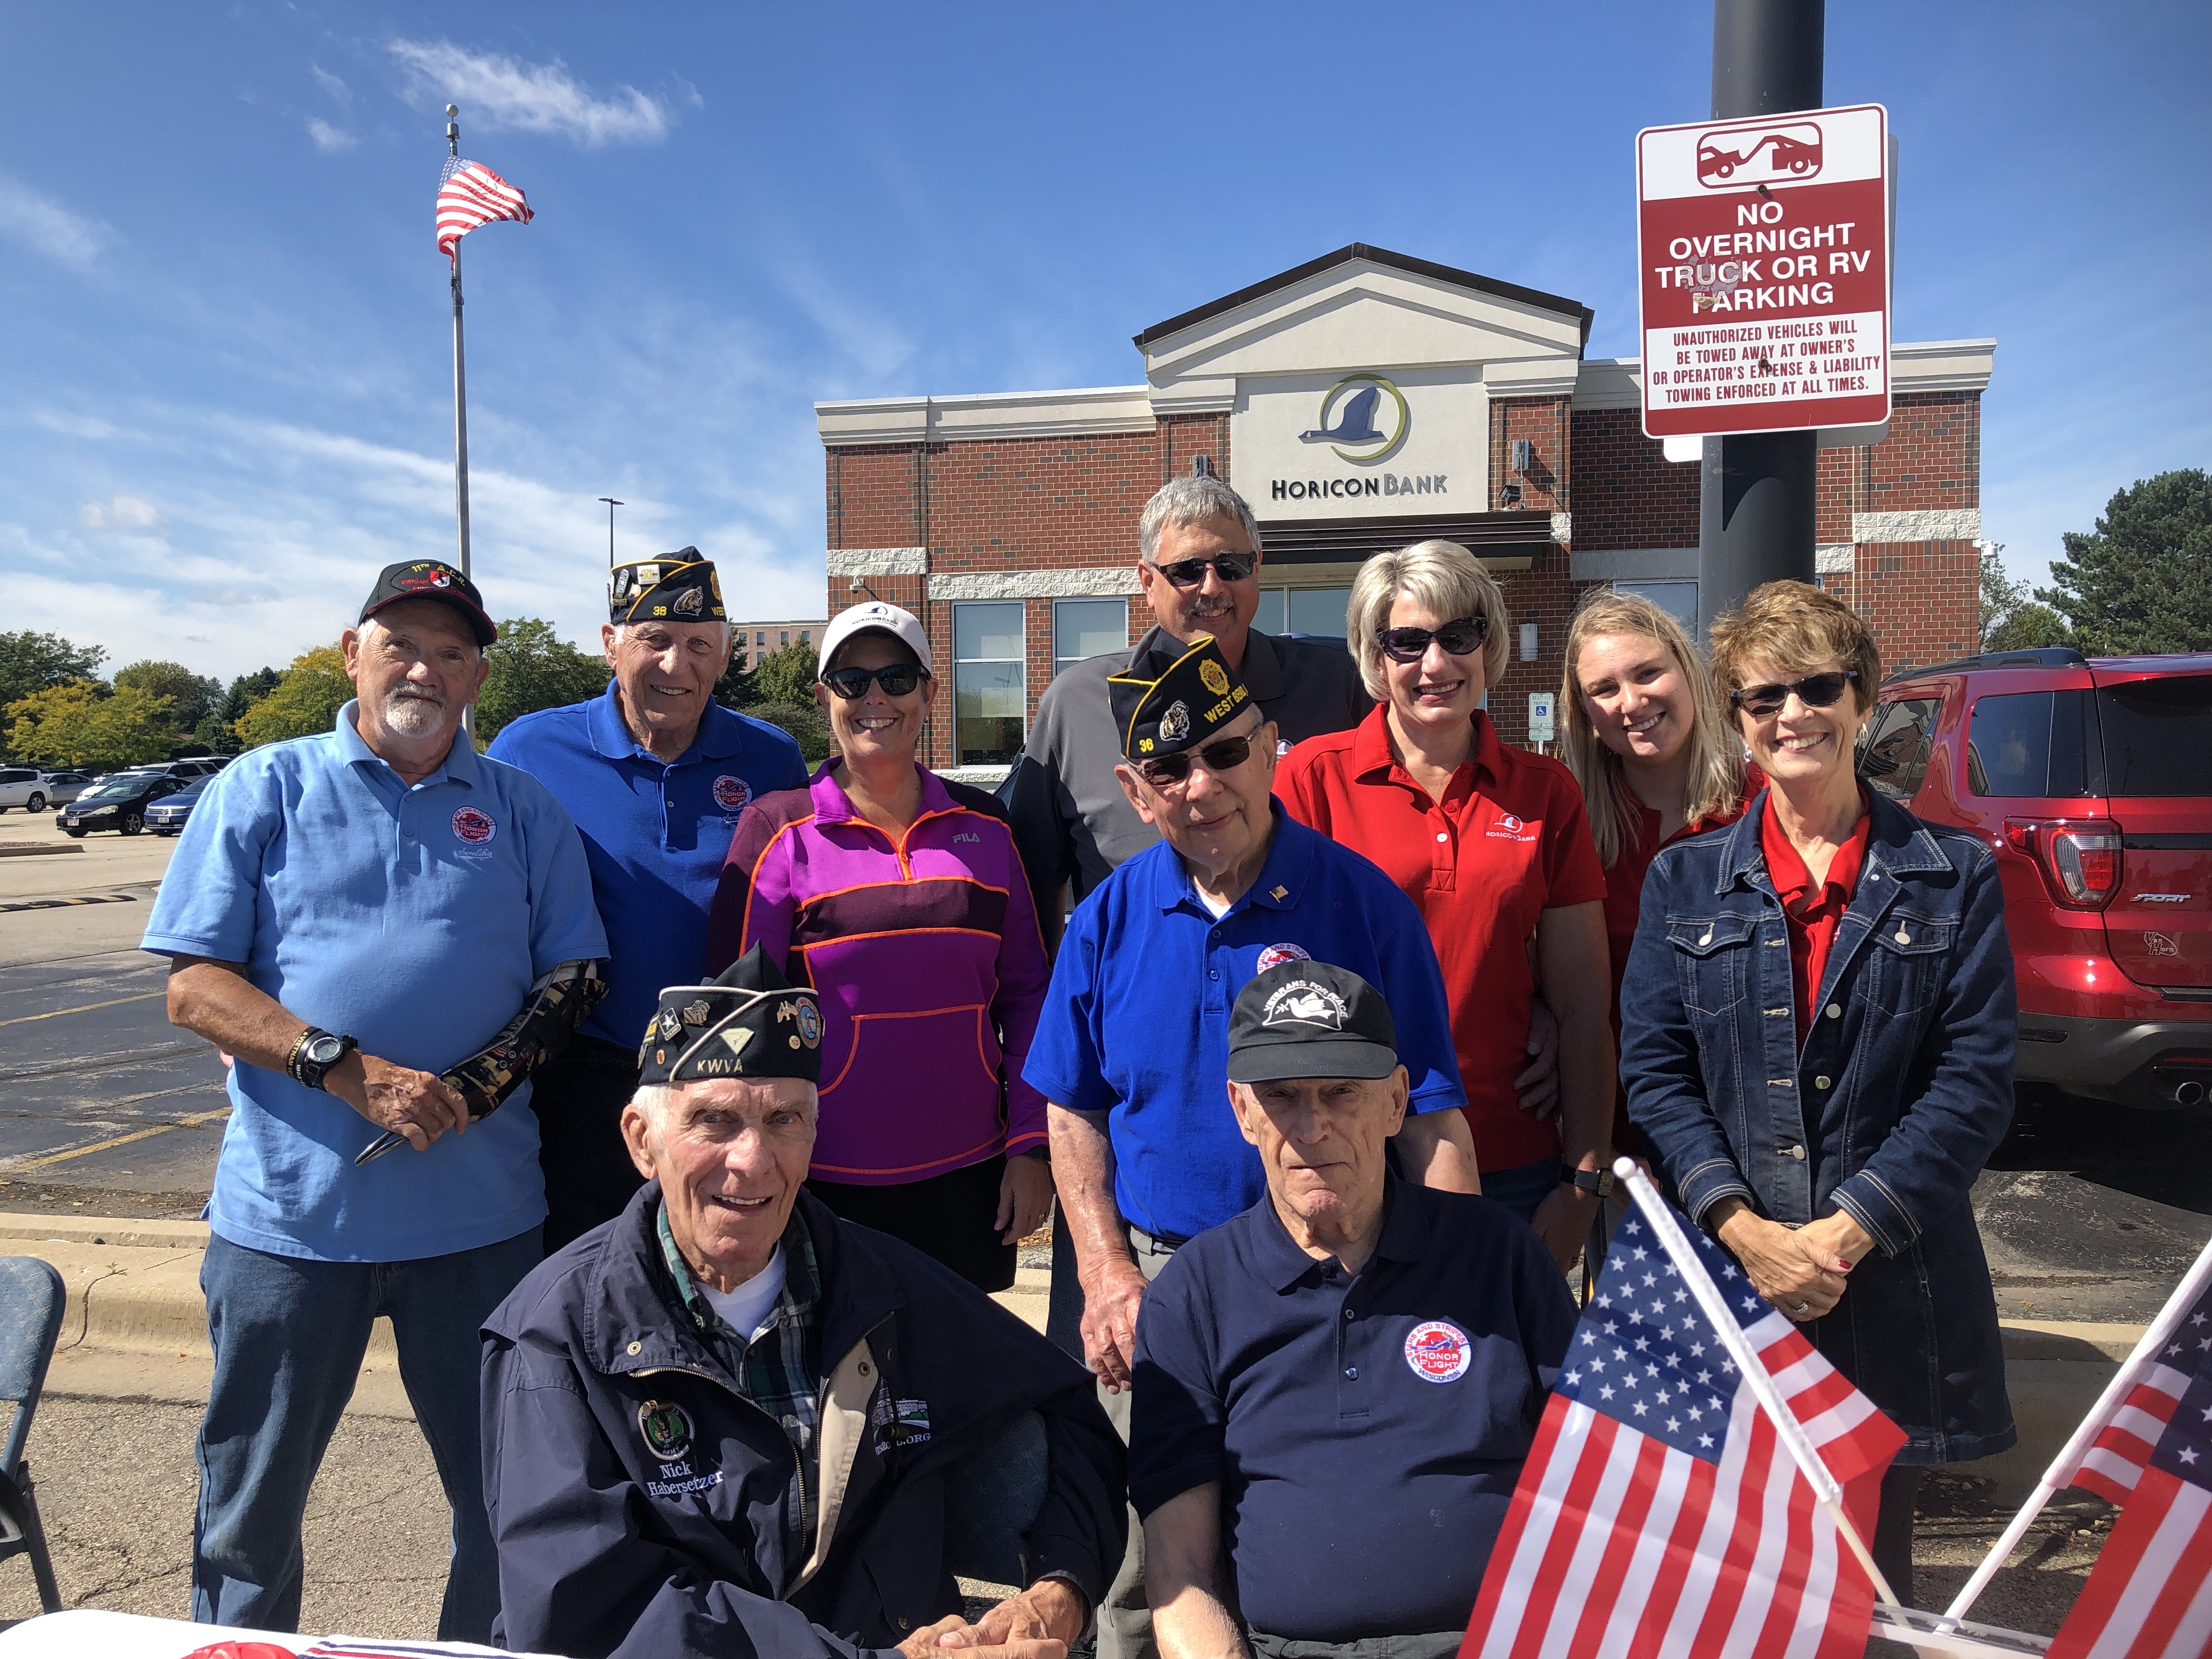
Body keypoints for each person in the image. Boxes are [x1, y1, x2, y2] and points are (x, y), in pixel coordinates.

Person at [143, 560, 608, 1639]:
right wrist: (340, 1066)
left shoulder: (522, 809)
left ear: (478, 677)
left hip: (483, 1231)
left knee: (504, 1503)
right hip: (288, 1231)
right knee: (249, 1509)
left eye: (451, 653)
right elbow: (193, 987)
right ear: (351, 654)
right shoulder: (262, 787)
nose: (425, 669)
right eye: (400, 643)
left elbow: (574, 977)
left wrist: (477, 1084)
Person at [1023, 634, 1478, 1659]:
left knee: (1317, 1533)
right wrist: (1099, 1270)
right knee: (1146, 1564)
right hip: (1163, 1274)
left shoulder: (1361, 904)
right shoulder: (1103, 919)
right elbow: (1072, 1108)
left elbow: (1433, 1108)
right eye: (1170, 770)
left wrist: (1451, 1272)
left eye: (1225, 753)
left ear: (1270, 746)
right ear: (1135, 793)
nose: (1203, 785)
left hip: (1334, 1275)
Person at [481, 947, 1124, 1659]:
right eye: (715, 1121)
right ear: (643, 1141)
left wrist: (1062, 1586)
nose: (753, 1160)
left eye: (784, 1120)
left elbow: (1071, 1408)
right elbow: (579, 1610)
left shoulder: (881, 1285)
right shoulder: (558, 1333)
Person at [1621, 579, 2018, 1604]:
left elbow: (1972, 1084)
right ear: (1738, 718)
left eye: (1816, 686)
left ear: (1862, 694)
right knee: (1734, 1580)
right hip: (1732, 1281)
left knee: (1869, 1592)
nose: (1791, 713)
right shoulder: (1683, 880)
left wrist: (1835, 1239)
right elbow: (1655, 1075)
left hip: (1886, 1286)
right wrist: (1747, 1231)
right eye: (1762, 697)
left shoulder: (1951, 875)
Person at [1135, 962, 1576, 1659]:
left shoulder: (1498, 1256)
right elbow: (1179, 1573)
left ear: (1398, 1101)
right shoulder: (1193, 1293)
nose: (1312, 1127)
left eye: (1342, 1092)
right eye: (1281, 1097)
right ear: (1242, 1111)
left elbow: (1601, 1487)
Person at [1276, 540, 1614, 1269]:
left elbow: (1585, 1005)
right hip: (1348, 1155)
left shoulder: (1545, 792)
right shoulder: (1311, 779)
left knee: (1506, 1378)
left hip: (1511, 1152)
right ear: (1374, 656)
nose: (1436, 664)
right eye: (1407, 642)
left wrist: (1582, 1180)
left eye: (1459, 636)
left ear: (1488, 645)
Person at [707, 601, 1052, 1292]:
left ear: (930, 691)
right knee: (837, 1384)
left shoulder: (986, 824)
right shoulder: (777, 829)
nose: (874, 699)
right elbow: (738, 1019)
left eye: (896, 678)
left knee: (955, 1381)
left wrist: (1031, 1147)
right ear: (823, 696)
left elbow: (1027, 994)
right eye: (851, 680)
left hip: (969, 1169)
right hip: (821, 1173)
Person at [489, 547, 807, 1250]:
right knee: (588, 1281)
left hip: (729, 1075)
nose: (676, 664)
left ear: (723, 656)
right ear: (611, 645)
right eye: (654, 640)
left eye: (699, 645)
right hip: (585, 1075)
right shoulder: (531, 750)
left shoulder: (770, 755)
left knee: (719, 1270)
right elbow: (470, 892)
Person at [1002, 472, 1368, 951]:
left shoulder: (1343, 685)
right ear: (1147, 581)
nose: (1211, 586)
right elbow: (1034, 885)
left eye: (1231, 564)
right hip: (1140, 1002)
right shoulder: (1075, 704)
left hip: (1310, 1003)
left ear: (1258, 568)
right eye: (1187, 570)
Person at [1557, 588, 1756, 1155]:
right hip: (1624, 1147)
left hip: (1759, 1143)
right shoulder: (1570, 830)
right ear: (1587, 714)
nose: (1631, 700)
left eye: (1648, 673)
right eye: (1604, 688)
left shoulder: (1768, 808)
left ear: (1687, 672)